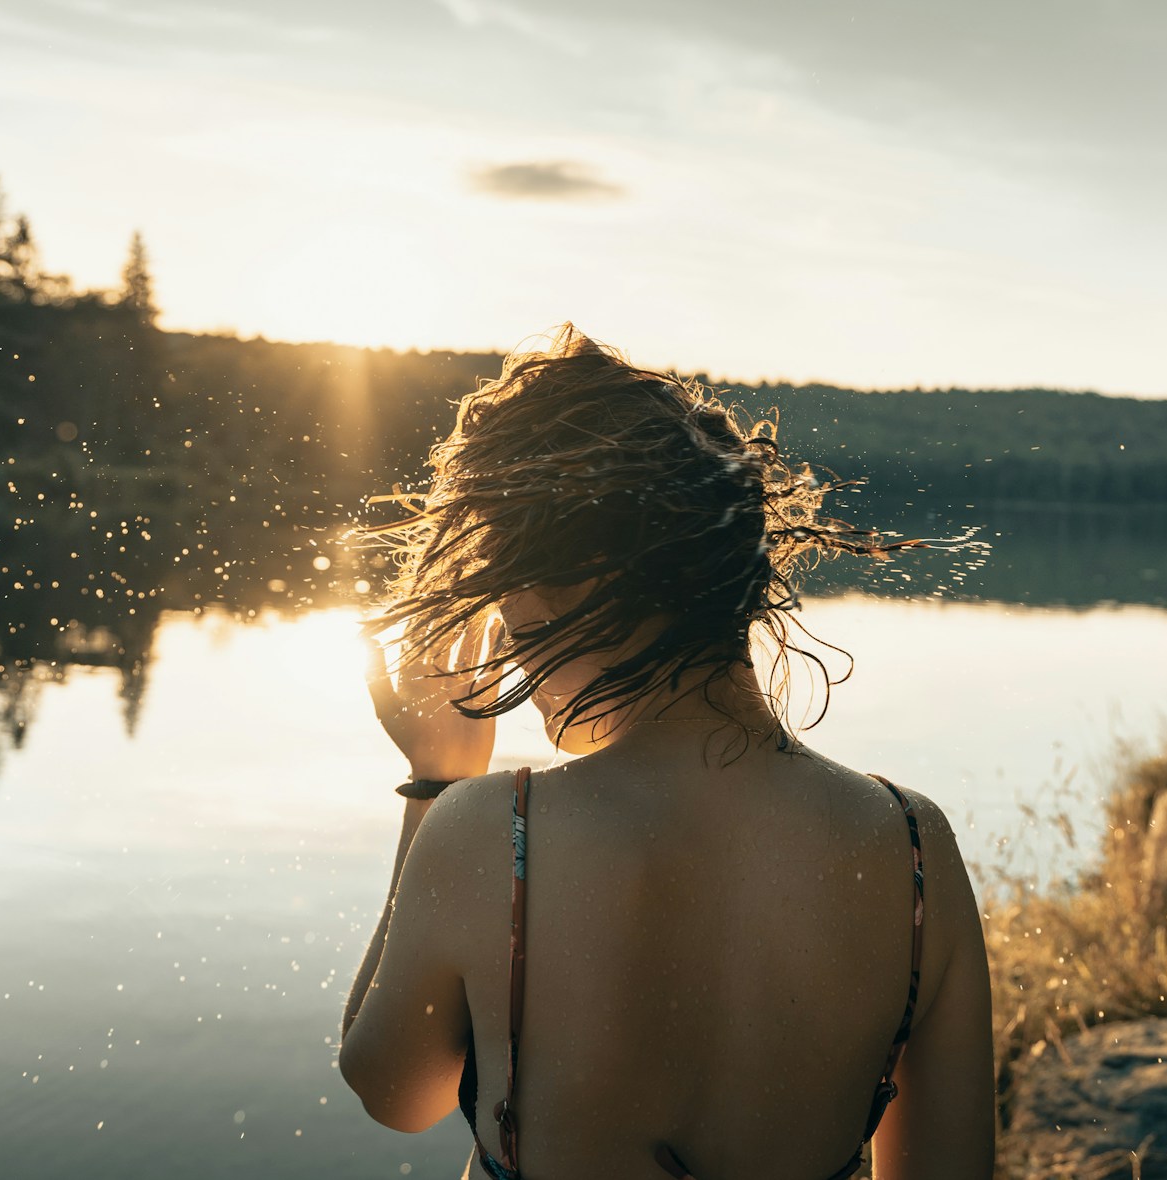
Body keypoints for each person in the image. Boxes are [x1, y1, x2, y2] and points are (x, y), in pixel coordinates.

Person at [340, 327, 994, 1179]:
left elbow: (396, 1093)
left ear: (554, 595)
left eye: (508, 615)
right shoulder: (912, 849)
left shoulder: (495, 829)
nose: (512, 649)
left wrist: (437, 781)